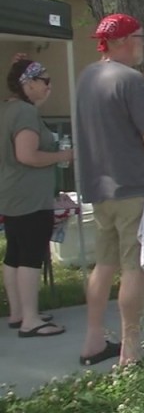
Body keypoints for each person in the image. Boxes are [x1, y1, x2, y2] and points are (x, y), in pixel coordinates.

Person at [76, 13, 144, 367]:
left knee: (104, 264)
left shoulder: (87, 77)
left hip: (99, 188)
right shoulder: (130, 80)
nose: (142, 43)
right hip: (133, 185)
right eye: (139, 37)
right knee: (136, 266)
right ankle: (131, 351)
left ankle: (92, 340)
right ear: (121, 42)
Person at [0, 55, 73, 338]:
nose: (49, 87)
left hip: (12, 193)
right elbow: (27, 155)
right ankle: (31, 320)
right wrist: (63, 155)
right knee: (30, 256)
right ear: (27, 83)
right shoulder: (26, 114)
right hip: (30, 196)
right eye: (44, 81)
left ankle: (18, 312)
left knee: (15, 254)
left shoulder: (8, 109)